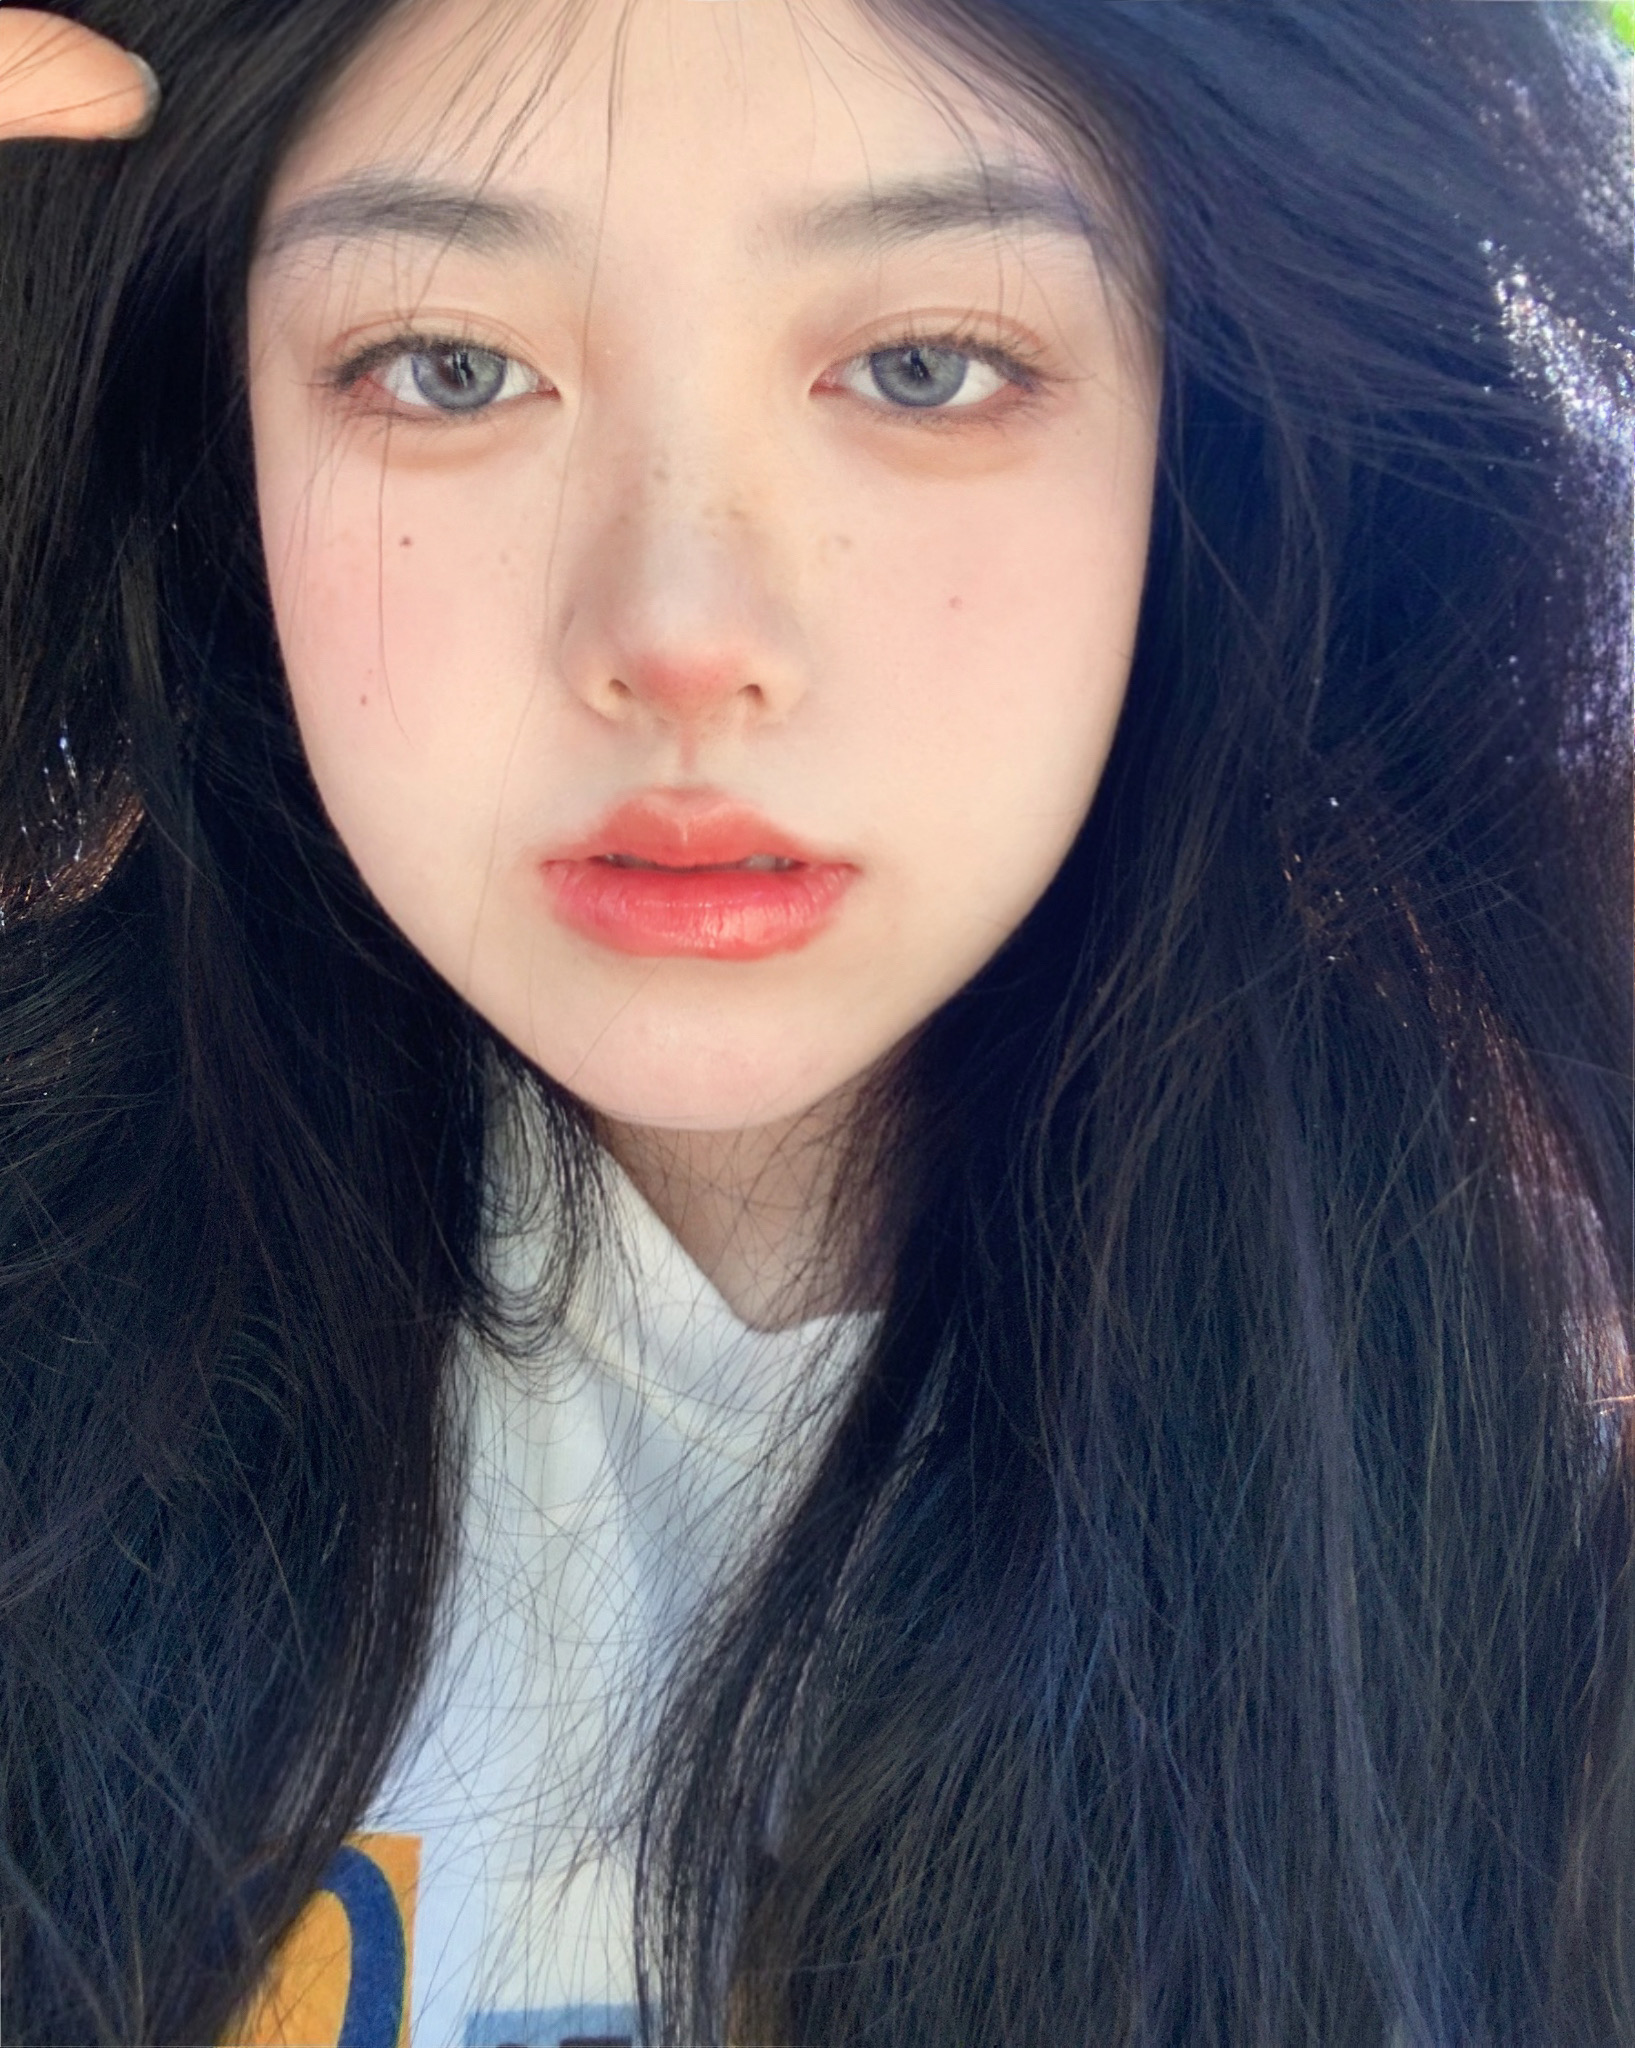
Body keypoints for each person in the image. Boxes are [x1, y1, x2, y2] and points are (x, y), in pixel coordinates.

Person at [0, 1, 1629, 2042]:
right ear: (221, 426)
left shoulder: (1546, 1519)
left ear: (1203, 428)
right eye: (450, 365)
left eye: (925, 364)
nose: (682, 638)